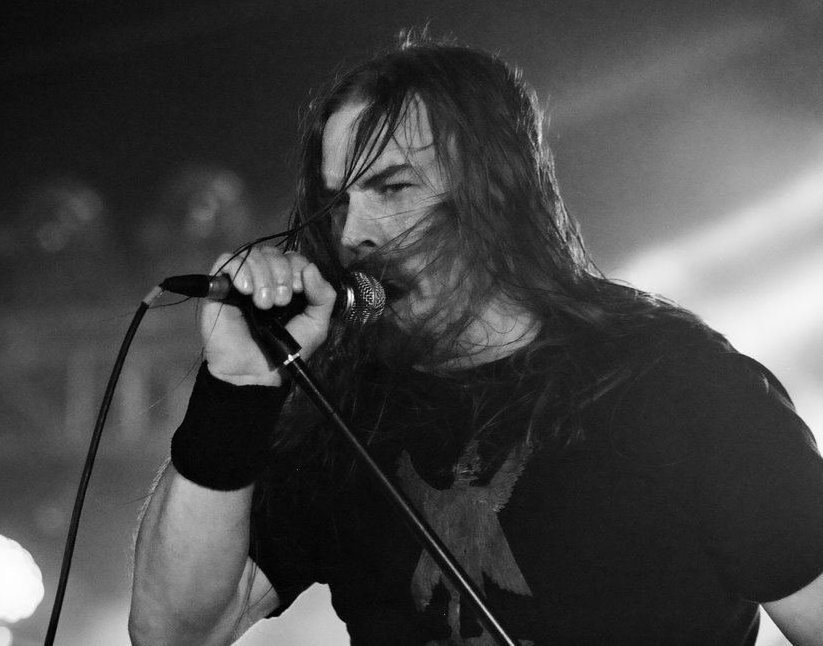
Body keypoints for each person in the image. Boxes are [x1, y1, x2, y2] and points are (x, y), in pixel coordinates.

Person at [129, 34, 823, 645]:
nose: (353, 234)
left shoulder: (678, 382)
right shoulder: (345, 410)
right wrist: (236, 390)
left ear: (496, 190)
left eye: (392, 188)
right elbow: (172, 632)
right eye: (338, 202)